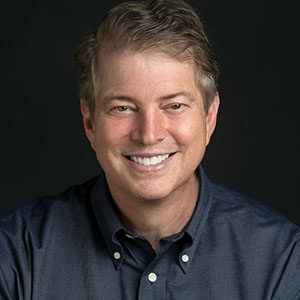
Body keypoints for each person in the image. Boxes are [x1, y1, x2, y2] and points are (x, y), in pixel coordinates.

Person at [0, 0, 299, 299]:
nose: (149, 134)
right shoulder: (16, 254)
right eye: (123, 107)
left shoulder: (282, 261)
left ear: (209, 117)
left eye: (175, 106)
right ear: (90, 123)